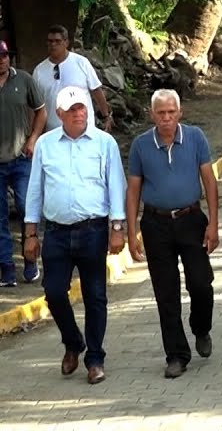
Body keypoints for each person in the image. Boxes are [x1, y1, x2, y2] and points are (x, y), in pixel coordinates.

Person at [23, 86, 126, 384]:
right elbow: (35, 190)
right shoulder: (45, 144)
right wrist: (30, 232)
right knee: (54, 292)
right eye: (72, 110)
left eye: (82, 108)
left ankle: (95, 358)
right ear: (59, 114)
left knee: (96, 296)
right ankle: (73, 342)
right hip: (56, 232)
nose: (79, 113)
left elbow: (115, 186)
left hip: (93, 229)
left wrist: (117, 227)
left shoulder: (104, 143)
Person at [124, 90, 218, 379]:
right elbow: (133, 190)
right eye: (160, 113)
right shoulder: (140, 145)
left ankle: (201, 328)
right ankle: (176, 355)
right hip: (156, 224)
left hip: (191, 220)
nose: (166, 118)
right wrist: (132, 231)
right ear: (152, 114)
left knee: (201, 283)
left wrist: (214, 223)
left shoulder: (195, 138)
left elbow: (210, 181)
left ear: (180, 112)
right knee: (166, 293)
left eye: (171, 112)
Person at [0, 41, 45, 286]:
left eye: (5, 55)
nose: (2, 59)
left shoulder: (24, 79)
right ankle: (6, 268)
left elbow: (41, 110)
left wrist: (33, 138)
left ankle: (30, 259)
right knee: (0, 218)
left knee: (27, 208)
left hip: (20, 158)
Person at [33, 25, 112, 132]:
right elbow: (36, 104)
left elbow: (96, 90)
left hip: (85, 130)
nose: (53, 44)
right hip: (54, 133)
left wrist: (106, 116)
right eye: (50, 41)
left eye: (57, 41)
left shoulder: (81, 63)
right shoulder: (39, 71)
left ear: (66, 43)